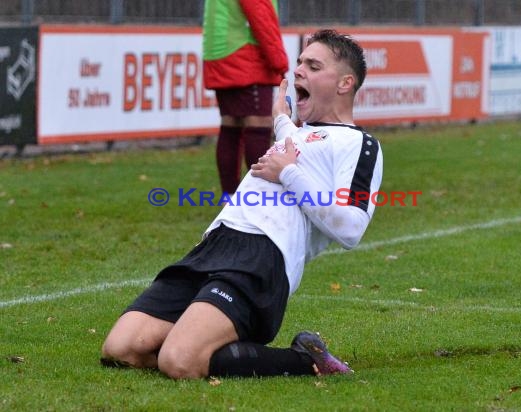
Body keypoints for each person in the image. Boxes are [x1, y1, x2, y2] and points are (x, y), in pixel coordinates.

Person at [101, 29, 383, 379]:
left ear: (345, 83)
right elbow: (292, 139)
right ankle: (206, 343)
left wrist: (289, 173)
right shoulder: (297, 134)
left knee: (179, 362)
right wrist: (280, 117)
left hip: (261, 258)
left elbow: (351, 228)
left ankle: (305, 359)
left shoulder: (360, 145)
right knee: (121, 349)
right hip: (216, 243)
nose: (298, 70)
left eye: (312, 65)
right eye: (299, 62)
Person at [202, 0, 289, 196]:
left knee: (230, 125)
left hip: (219, 53)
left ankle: (229, 197)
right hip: (245, 54)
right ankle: (258, 196)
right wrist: (279, 61)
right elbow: (261, 16)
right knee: (258, 125)